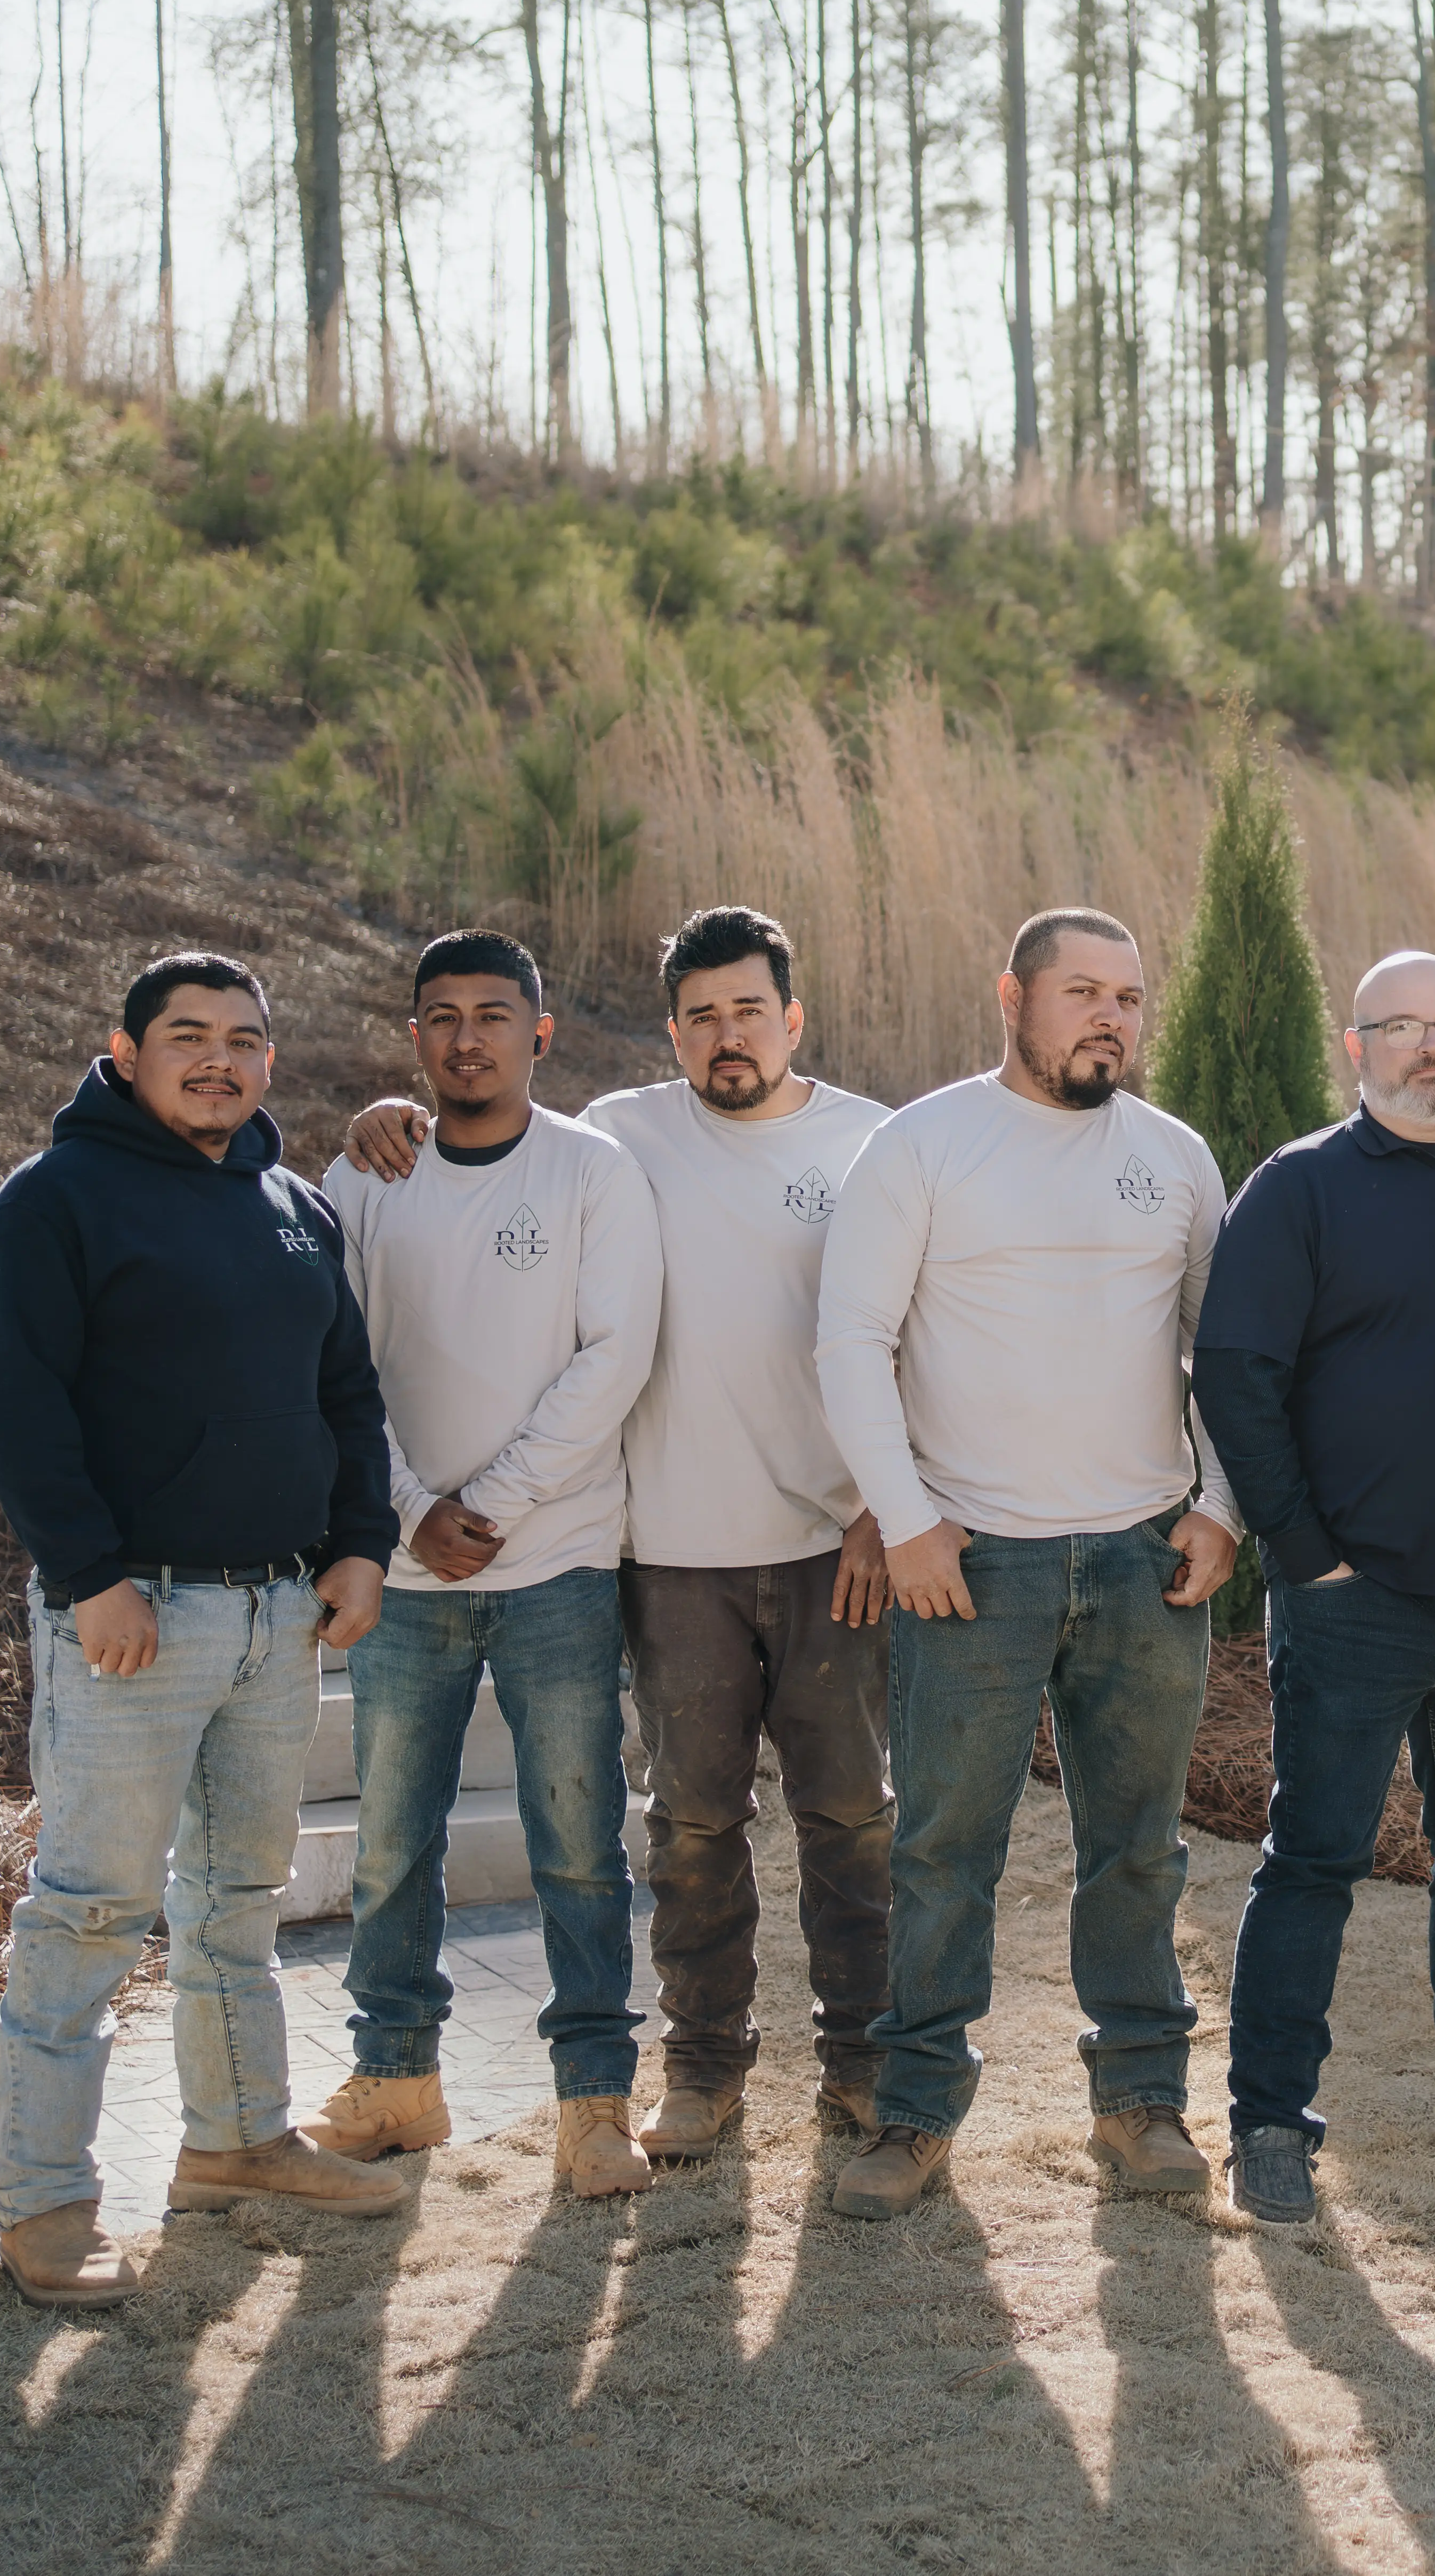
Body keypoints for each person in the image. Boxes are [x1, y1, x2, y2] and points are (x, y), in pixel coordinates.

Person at [341, 906, 894, 2156]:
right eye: (700, 1015)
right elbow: (487, 1121)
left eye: (749, 1009)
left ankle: (864, 2056)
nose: (726, 1035)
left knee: (852, 1814)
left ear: (792, 1017)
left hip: (833, 1547)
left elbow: (921, 1331)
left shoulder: (872, 1143)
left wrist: (888, 1505)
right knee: (692, 1825)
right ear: (672, 1032)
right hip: (671, 1552)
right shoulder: (621, 1138)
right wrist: (391, 1113)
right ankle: (703, 2067)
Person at [0, 954, 409, 2305]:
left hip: (280, 1612)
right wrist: (88, 1572)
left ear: (272, 1060)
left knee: (238, 1903)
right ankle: (46, 2199)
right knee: (91, 1910)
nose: (219, 1060)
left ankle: (237, 2142)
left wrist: (358, 1544)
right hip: (132, 1620)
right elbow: (13, 1405)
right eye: (188, 1037)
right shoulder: (55, 1202)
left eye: (244, 1040)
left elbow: (346, 1391)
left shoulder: (292, 1208)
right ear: (124, 1048)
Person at [814, 908, 1241, 2220]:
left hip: (1141, 1564)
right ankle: (915, 2110)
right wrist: (908, 1519)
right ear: (1013, 995)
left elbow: (1223, 1355)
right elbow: (848, 1342)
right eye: (1081, 992)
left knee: (1139, 1851)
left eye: (1128, 994)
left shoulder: (1173, 1158)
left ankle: (1141, 2101)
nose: (1110, 1016)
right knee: (943, 1848)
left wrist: (1222, 1505)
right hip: (973, 1561)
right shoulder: (925, 1143)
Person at [1192, 952, 1435, 2225]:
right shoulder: (1301, 1189)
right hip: (1356, 1601)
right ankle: (1267, 2121)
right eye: (1401, 1026)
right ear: (1354, 1046)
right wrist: (1306, 1551)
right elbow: (1235, 1374)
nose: (1430, 1047)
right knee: (1315, 1856)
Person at [307, 930, 666, 2199]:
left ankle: (593, 2102)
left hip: (556, 1565)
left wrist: (492, 1505)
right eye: (443, 1016)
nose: (469, 1037)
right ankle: (395, 2081)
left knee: (578, 1845)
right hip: (406, 1580)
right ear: (415, 1036)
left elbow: (612, 1358)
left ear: (540, 1032)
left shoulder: (592, 1173)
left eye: (495, 1015)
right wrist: (412, 1512)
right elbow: (334, 1367)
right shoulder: (363, 1181)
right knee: (392, 1847)